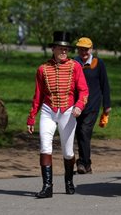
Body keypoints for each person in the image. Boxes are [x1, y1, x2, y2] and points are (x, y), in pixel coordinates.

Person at [27, 31, 88, 198]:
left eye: (66, 49)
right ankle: (47, 186)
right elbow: (38, 95)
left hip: (68, 112)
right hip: (48, 110)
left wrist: (79, 106)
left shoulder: (75, 66)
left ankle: (69, 181)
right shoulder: (42, 69)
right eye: (60, 49)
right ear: (53, 49)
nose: (63, 52)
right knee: (45, 147)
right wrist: (32, 116)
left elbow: (83, 90)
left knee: (68, 152)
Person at [73, 37, 111, 174]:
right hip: (76, 106)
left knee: (84, 131)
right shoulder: (73, 63)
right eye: (81, 49)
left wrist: (107, 105)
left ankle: (82, 163)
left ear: (91, 49)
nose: (84, 52)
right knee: (79, 133)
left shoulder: (98, 63)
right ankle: (86, 165)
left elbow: (104, 84)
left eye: (86, 49)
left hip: (92, 105)